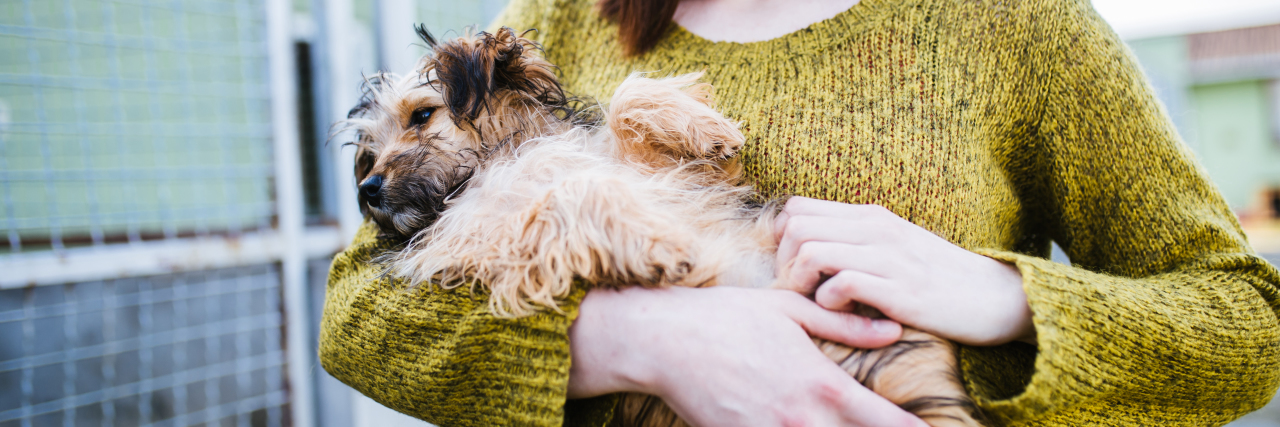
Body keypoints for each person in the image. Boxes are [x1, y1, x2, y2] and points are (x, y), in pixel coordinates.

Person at [318, 0, 1280, 425]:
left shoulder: (1017, 22)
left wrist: (1004, 296)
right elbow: (358, 312)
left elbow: (1249, 322)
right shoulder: (570, 17)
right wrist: (632, 340)